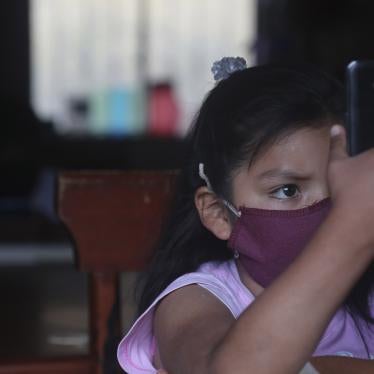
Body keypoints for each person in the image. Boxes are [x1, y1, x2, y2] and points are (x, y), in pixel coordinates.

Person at [117, 59, 374, 373]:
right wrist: (349, 231)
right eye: (288, 191)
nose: (326, 209)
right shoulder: (194, 300)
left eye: (340, 187)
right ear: (218, 214)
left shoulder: (364, 300)